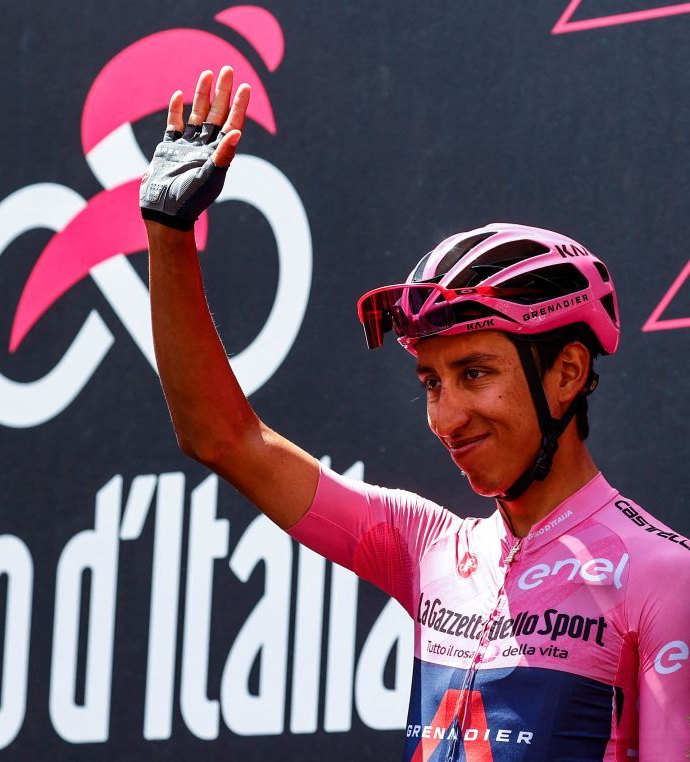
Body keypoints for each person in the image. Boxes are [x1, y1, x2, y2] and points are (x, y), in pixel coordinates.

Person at [140, 66, 690, 760]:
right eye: (432, 382)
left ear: (567, 374)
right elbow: (223, 438)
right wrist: (168, 234)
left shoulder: (663, 576)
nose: (447, 417)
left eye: (475, 374)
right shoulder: (429, 548)